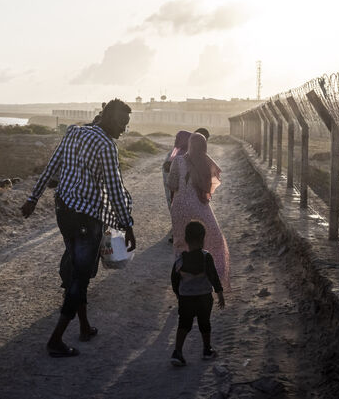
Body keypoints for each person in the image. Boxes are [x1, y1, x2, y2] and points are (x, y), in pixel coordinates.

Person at [21, 99, 136, 358]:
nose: (123, 129)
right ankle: (56, 339)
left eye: (126, 125)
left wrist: (33, 198)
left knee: (77, 267)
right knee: (80, 277)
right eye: (121, 123)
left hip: (64, 212)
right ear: (106, 117)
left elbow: (53, 166)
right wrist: (127, 225)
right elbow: (116, 190)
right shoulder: (107, 146)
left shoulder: (74, 132)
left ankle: (84, 327)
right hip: (86, 219)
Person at [167, 132, 231, 291]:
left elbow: (172, 185)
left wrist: (176, 203)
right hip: (199, 207)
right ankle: (212, 274)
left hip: (179, 207)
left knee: (181, 242)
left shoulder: (178, 161)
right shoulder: (207, 162)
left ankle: (183, 278)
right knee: (213, 237)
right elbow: (208, 189)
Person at [170, 220, 225, 366]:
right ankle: (207, 350)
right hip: (204, 298)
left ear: (186, 240)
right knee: (204, 323)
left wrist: (178, 294)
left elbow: (174, 279)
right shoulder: (207, 257)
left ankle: (177, 352)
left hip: (185, 299)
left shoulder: (180, 260)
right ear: (203, 239)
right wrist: (220, 294)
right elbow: (214, 277)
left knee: (184, 325)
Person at [162, 128, 210, 243]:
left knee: (175, 204)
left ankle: (179, 232)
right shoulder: (185, 149)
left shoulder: (186, 147)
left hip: (175, 182)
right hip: (174, 177)